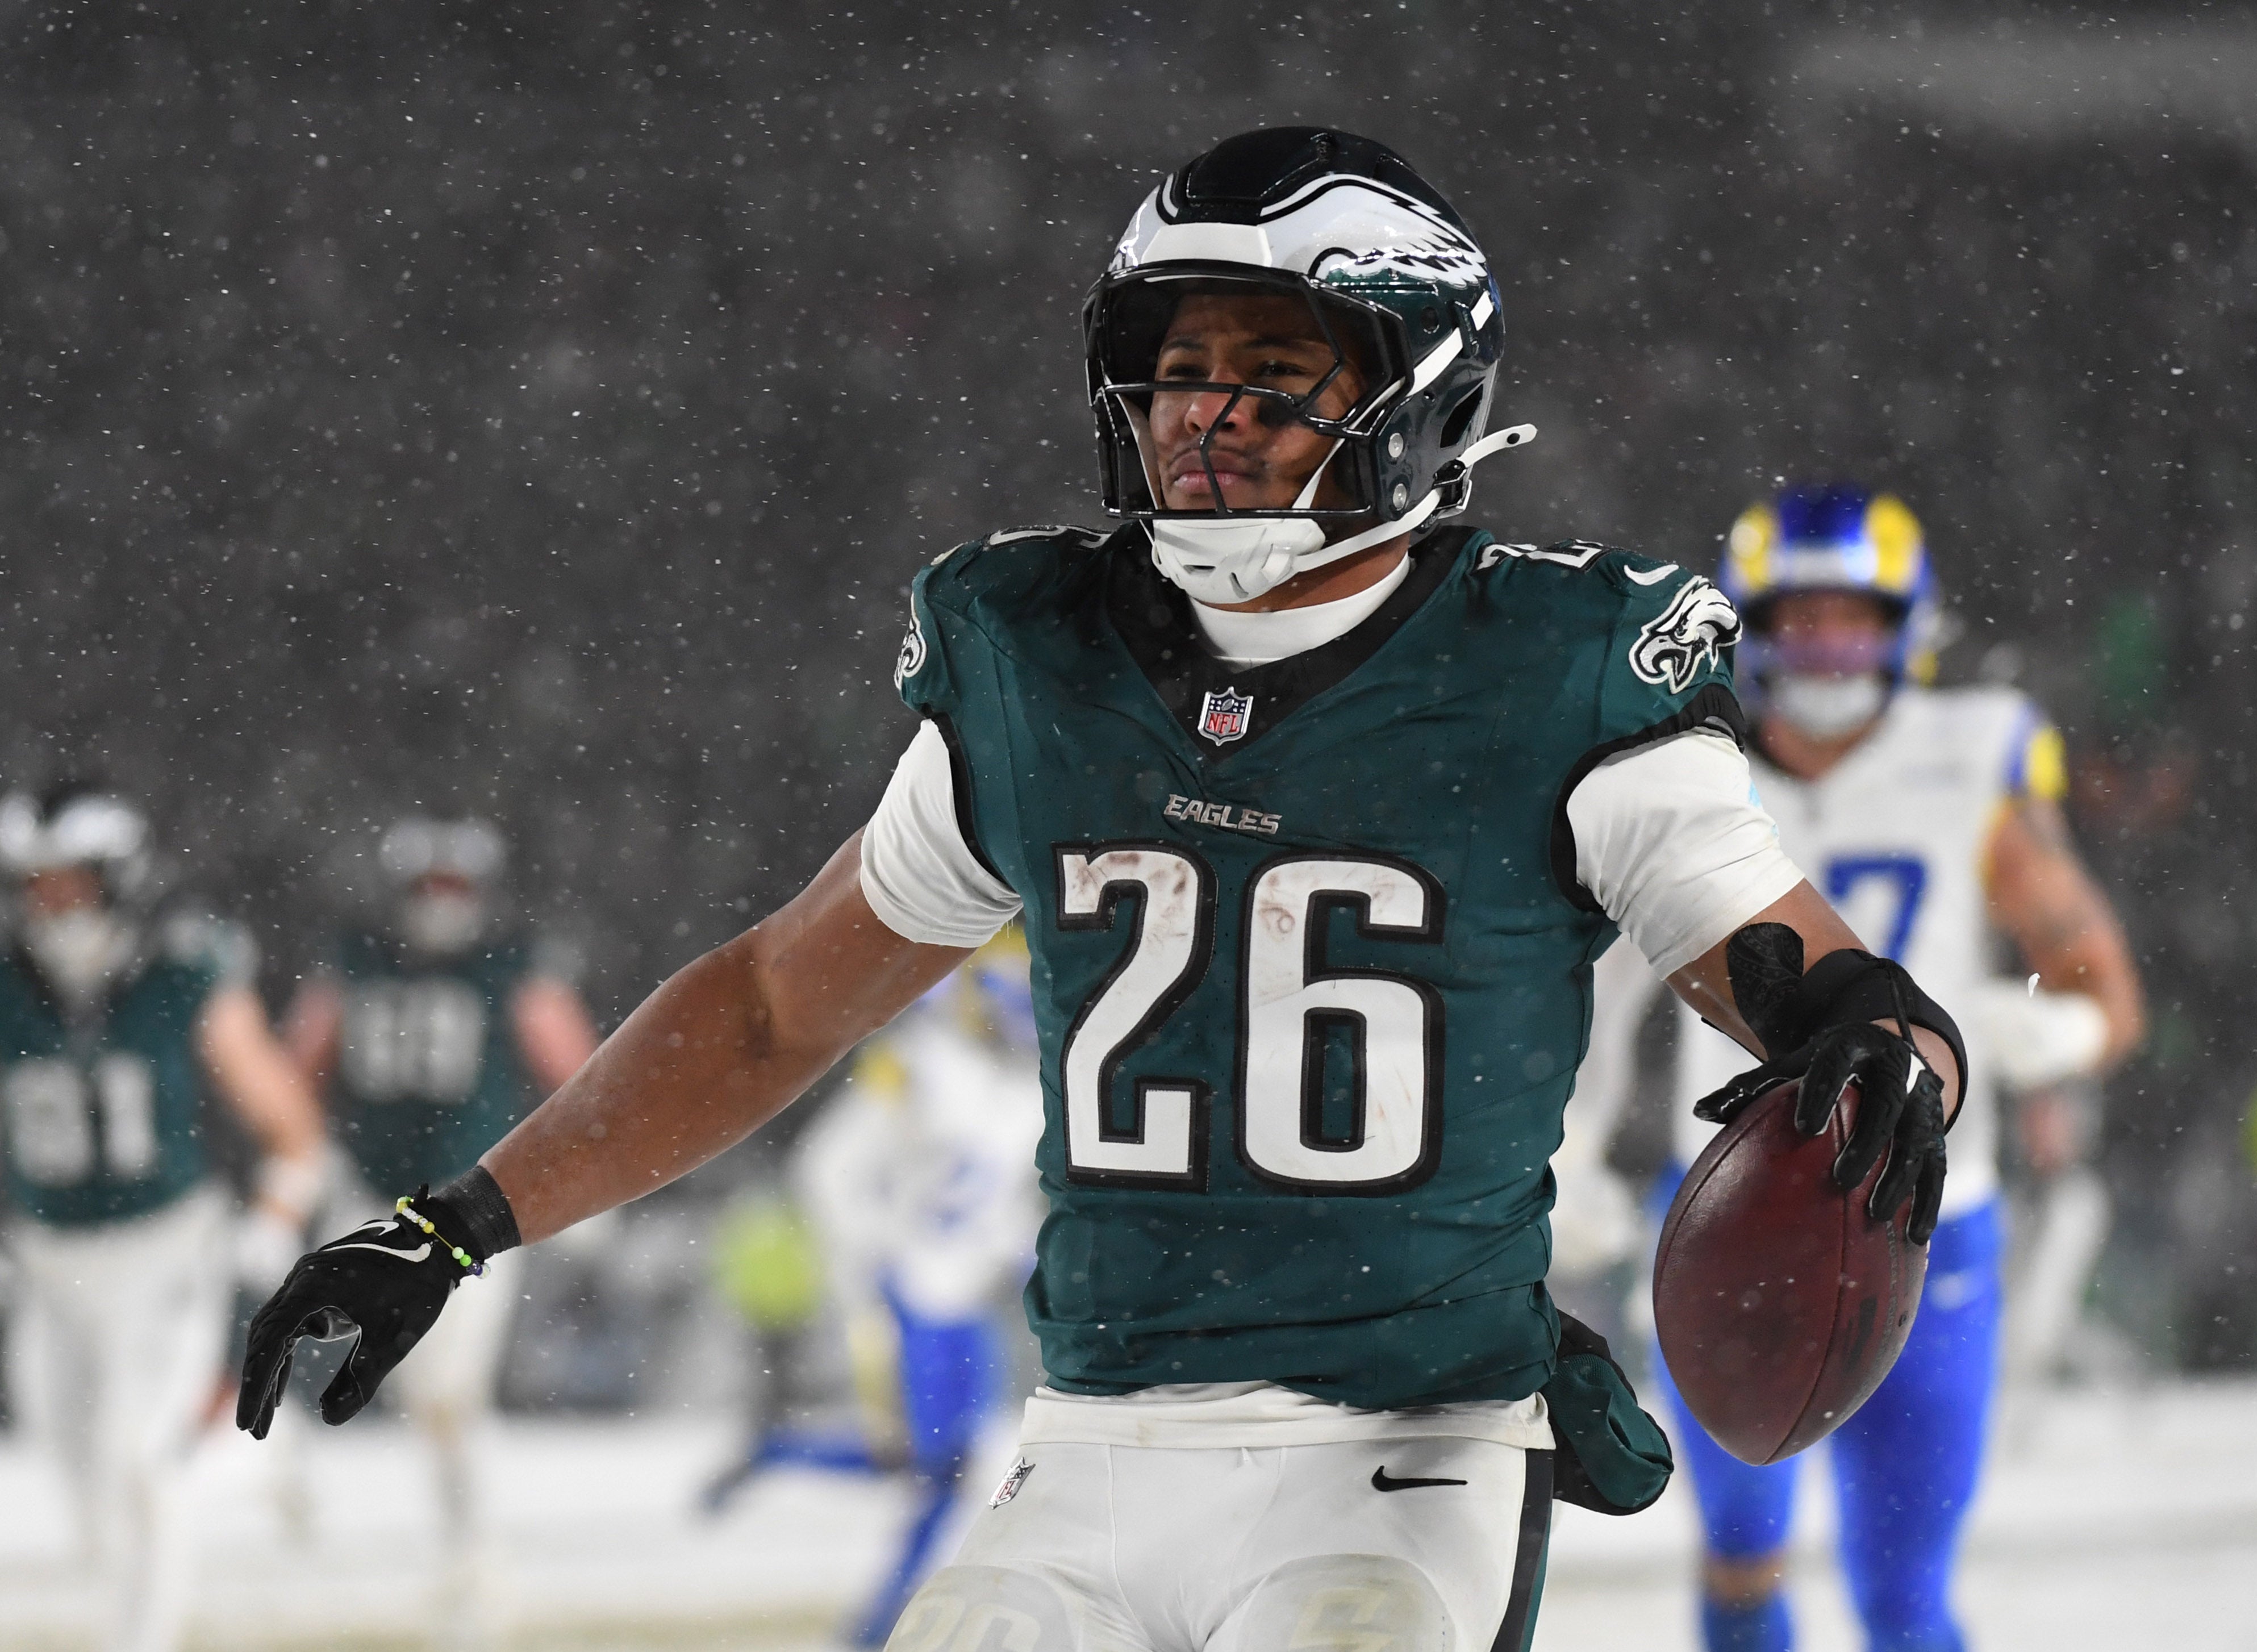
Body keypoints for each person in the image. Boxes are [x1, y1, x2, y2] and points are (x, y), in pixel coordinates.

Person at [239, 128, 1969, 1652]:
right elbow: (773, 1005)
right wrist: (451, 1223)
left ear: (1417, 385)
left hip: (1406, 1455)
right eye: (1177, 364)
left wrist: (1893, 1055)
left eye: (1276, 367)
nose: (1207, 411)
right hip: (1087, 1450)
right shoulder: (1042, 660)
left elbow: (1824, 991)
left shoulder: (1553, 665)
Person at [1646, 486, 2146, 1652]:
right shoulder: (1683, 761)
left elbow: (2105, 987)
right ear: (1752, 628)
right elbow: (1608, 977)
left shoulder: (1968, 756)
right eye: (1800, 618)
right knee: (1740, 1551)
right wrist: (1564, 1141)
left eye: (1850, 617)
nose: (1825, 645)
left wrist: (2060, 1036)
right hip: (1729, 1197)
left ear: (1905, 625)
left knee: (1904, 1587)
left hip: (1929, 1209)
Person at [0, 782, 327, 1652]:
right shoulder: (9, 985)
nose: (54, 906)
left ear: (122, 879)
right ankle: (255, 1456)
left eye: (73, 884)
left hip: (164, 1250)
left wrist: (272, 1224)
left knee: (141, 1464)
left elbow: (291, 1127)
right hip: (48, 1261)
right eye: (37, 886)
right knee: (81, 1480)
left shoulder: (183, 973)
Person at [278, 814, 599, 1632]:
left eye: (453, 887)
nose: (440, 903)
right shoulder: (354, 961)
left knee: (447, 1391)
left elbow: (580, 1073)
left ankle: (474, 1559)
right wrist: (302, 1159)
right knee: (381, 1373)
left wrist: (584, 1177)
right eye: (428, 886)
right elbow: (297, 1068)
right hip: (370, 1193)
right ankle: (298, 1487)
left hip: (471, 1203)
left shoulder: (512, 965)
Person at [790, 928, 1044, 1646]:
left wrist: (1021, 1253)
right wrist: (877, 1256)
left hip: (965, 1302)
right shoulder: (919, 1062)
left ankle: (883, 1621)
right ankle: (878, 1624)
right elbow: (827, 1168)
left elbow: (1004, 1208)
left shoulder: (1026, 1087)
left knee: (962, 1468)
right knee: (928, 1465)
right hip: (909, 1294)